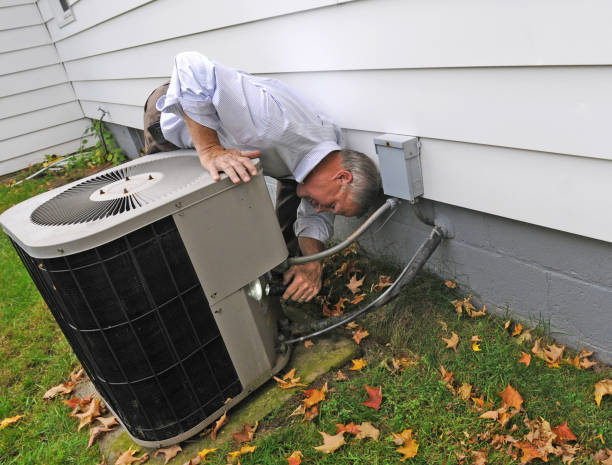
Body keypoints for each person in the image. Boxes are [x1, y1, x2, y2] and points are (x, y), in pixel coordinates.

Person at [144, 52, 381, 303]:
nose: (324, 209)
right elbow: (190, 66)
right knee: (172, 217)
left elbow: (317, 218)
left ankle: (276, 281)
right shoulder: (270, 123)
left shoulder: (328, 156)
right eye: (332, 205)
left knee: (291, 211)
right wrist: (210, 149)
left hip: (257, 147)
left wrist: (313, 264)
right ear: (342, 177)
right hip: (177, 115)